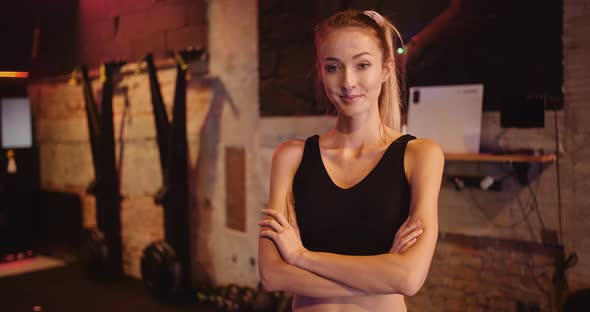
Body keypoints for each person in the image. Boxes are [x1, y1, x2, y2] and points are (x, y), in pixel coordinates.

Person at [257, 9, 444, 311]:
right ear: (320, 71)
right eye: (333, 67)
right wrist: (381, 276)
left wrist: (301, 257)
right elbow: (272, 275)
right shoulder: (291, 157)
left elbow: (409, 278)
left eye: (362, 65)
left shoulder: (420, 155)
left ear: (385, 69)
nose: (348, 81)